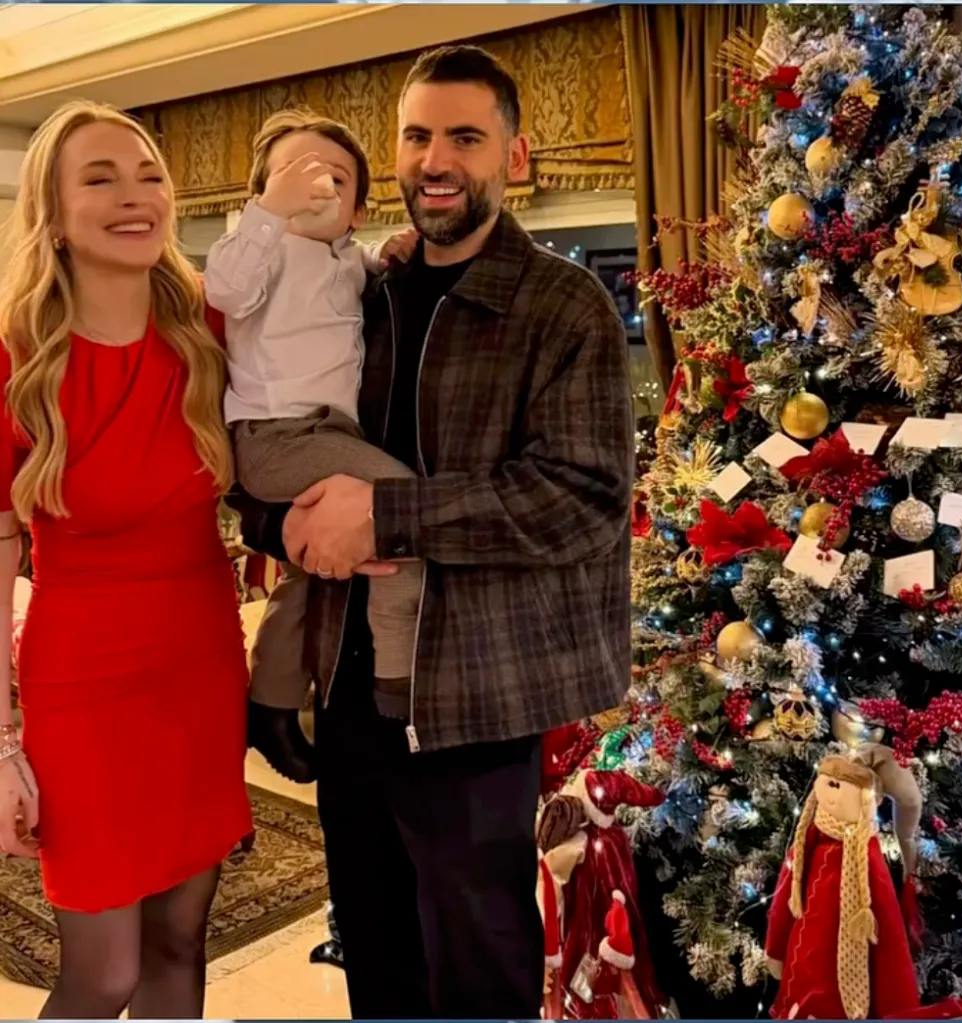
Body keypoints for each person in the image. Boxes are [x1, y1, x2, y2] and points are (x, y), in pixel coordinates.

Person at [231, 45, 634, 1019]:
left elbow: (578, 497)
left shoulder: (558, 303)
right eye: (416, 135)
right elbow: (281, 450)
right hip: (351, 688)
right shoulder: (361, 289)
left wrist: (388, 513)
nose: (434, 158)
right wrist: (280, 530)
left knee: (476, 965)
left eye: (463, 136)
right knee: (375, 952)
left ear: (516, 156)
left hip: (476, 700)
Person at [0, 100, 251, 1019]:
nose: (134, 195)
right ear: (54, 215)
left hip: (201, 666)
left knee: (181, 944)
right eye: (99, 178)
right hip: (84, 685)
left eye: (148, 173)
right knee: (101, 973)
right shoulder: (17, 363)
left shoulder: (212, 339)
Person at [205, 110, 418, 784]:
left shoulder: (349, 259)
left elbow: (367, 265)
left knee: (306, 570)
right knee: (404, 515)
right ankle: (400, 690)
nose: (315, 187)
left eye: (335, 177)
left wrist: (391, 252)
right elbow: (225, 289)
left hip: (326, 437)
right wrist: (268, 214)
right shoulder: (259, 252)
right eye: (294, 174)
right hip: (277, 435)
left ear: (357, 206)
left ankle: (267, 707)